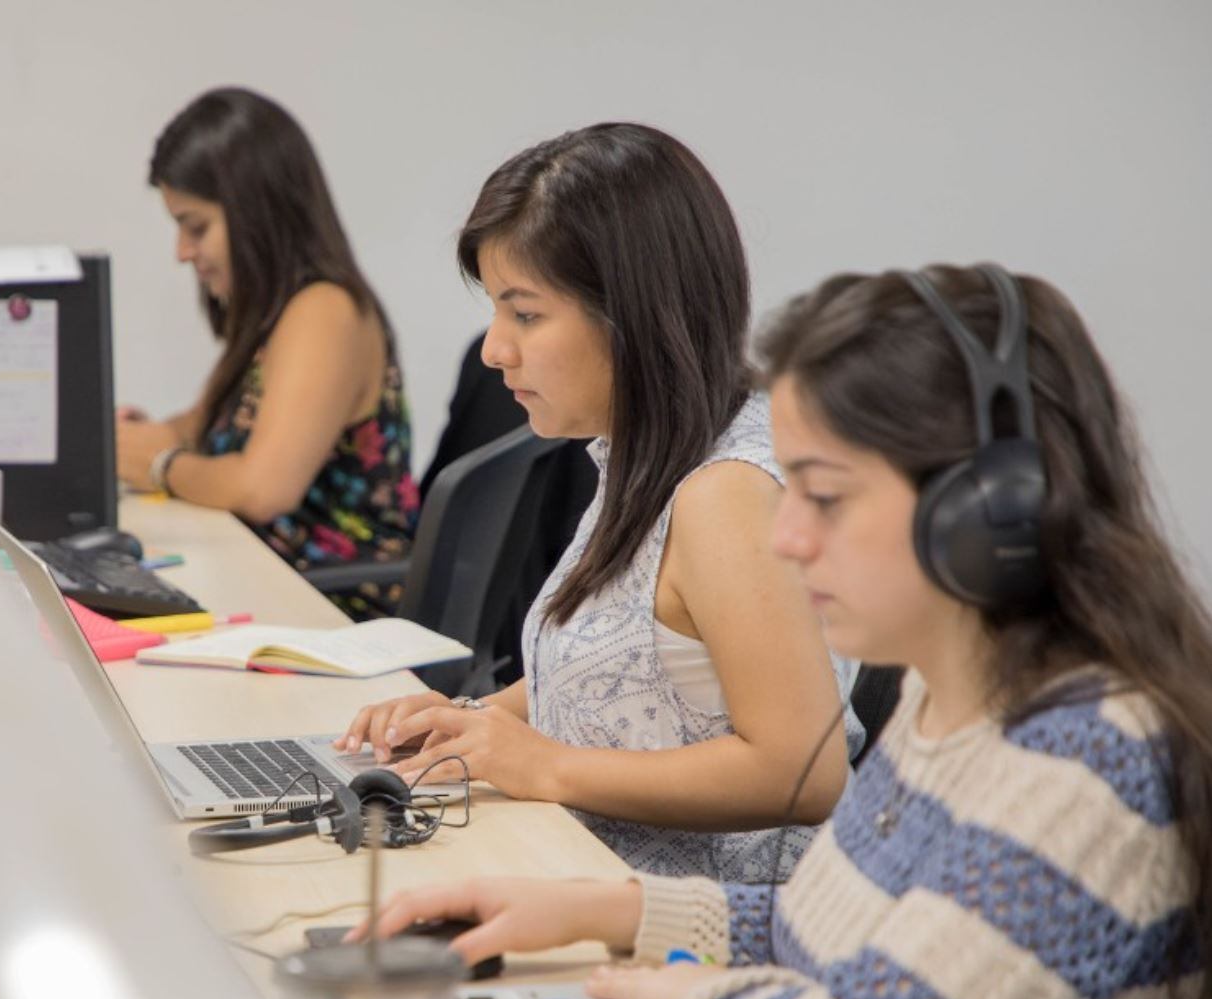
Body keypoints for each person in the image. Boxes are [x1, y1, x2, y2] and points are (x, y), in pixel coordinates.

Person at [356, 264, 1212, 999]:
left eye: (825, 496)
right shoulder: (954, 702)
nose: (789, 539)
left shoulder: (1085, 764)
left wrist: (690, 998)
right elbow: (835, 938)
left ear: (990, 511)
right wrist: (612, 913)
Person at [338, 124, 859, 880]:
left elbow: (802, 774)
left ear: (634, 316)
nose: (493, 349)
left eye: (525, 313)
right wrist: (481, 723)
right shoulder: (643, 455)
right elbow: (630, 667)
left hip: (705, 934)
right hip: (592, 882)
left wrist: (546, 765)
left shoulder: (726, 497)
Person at [117, 87, 418, 618]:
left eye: (196, 228)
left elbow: (264, 489)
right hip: (280, 588)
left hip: (332, 607)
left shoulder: (325, 311)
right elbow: (213, 420)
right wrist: (142, 438)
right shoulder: (277, 313)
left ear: (256, 212)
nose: (183, 252)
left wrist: (159, 464)